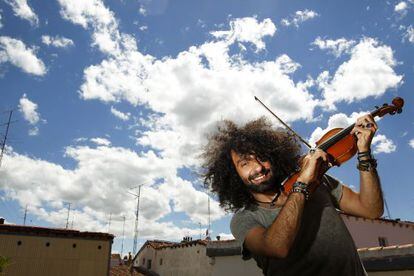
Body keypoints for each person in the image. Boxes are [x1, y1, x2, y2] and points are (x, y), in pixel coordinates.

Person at [202, 116, 383, 276]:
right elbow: (276, 247)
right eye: (245, 163)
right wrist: (303, 185)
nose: (258, 167)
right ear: (233, 175)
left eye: (262, 157)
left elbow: (371, 210)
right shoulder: (244, 219)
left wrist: (364, 154)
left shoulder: (318, 181)